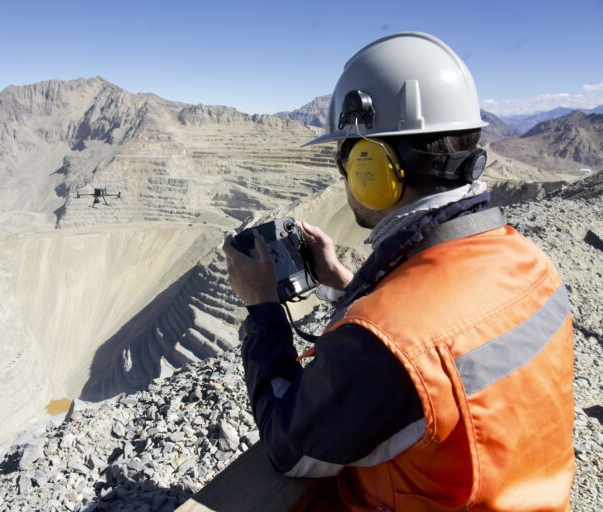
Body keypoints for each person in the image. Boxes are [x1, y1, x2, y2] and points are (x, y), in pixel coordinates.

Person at [222, 32, 574, 511]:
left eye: (347, 157)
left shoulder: (387, 343)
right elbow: (439, 330)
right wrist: (346, 282)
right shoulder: (531, 264)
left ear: (374, 165)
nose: (344, 176)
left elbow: (288, 444)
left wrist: (262, 310)